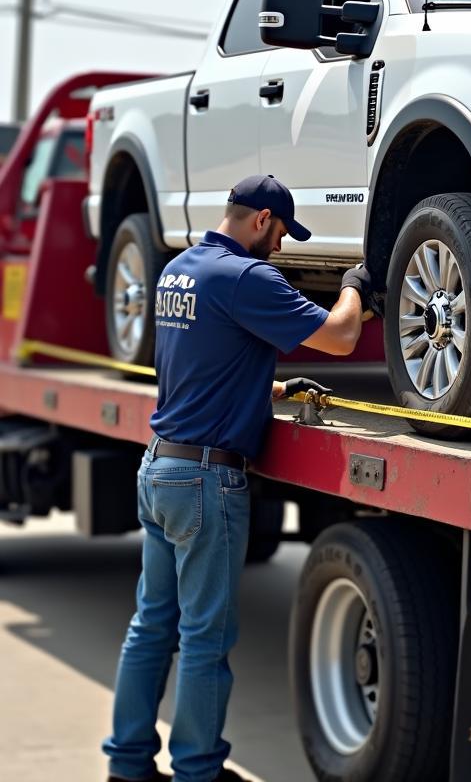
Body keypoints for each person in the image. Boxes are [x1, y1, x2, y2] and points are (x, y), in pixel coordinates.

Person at [103, 174, 376, 782]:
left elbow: (200, 361)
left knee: (152, 627)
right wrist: (353, 288)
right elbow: (340, 336)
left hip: (160, 466)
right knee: (205, 637)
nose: (280, 247)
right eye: (279, 232)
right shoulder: (248, 277)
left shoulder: (180, 271)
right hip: (205, 481)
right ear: (259, 220)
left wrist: (271, 387)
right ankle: (197, 771)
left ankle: (126, 766)